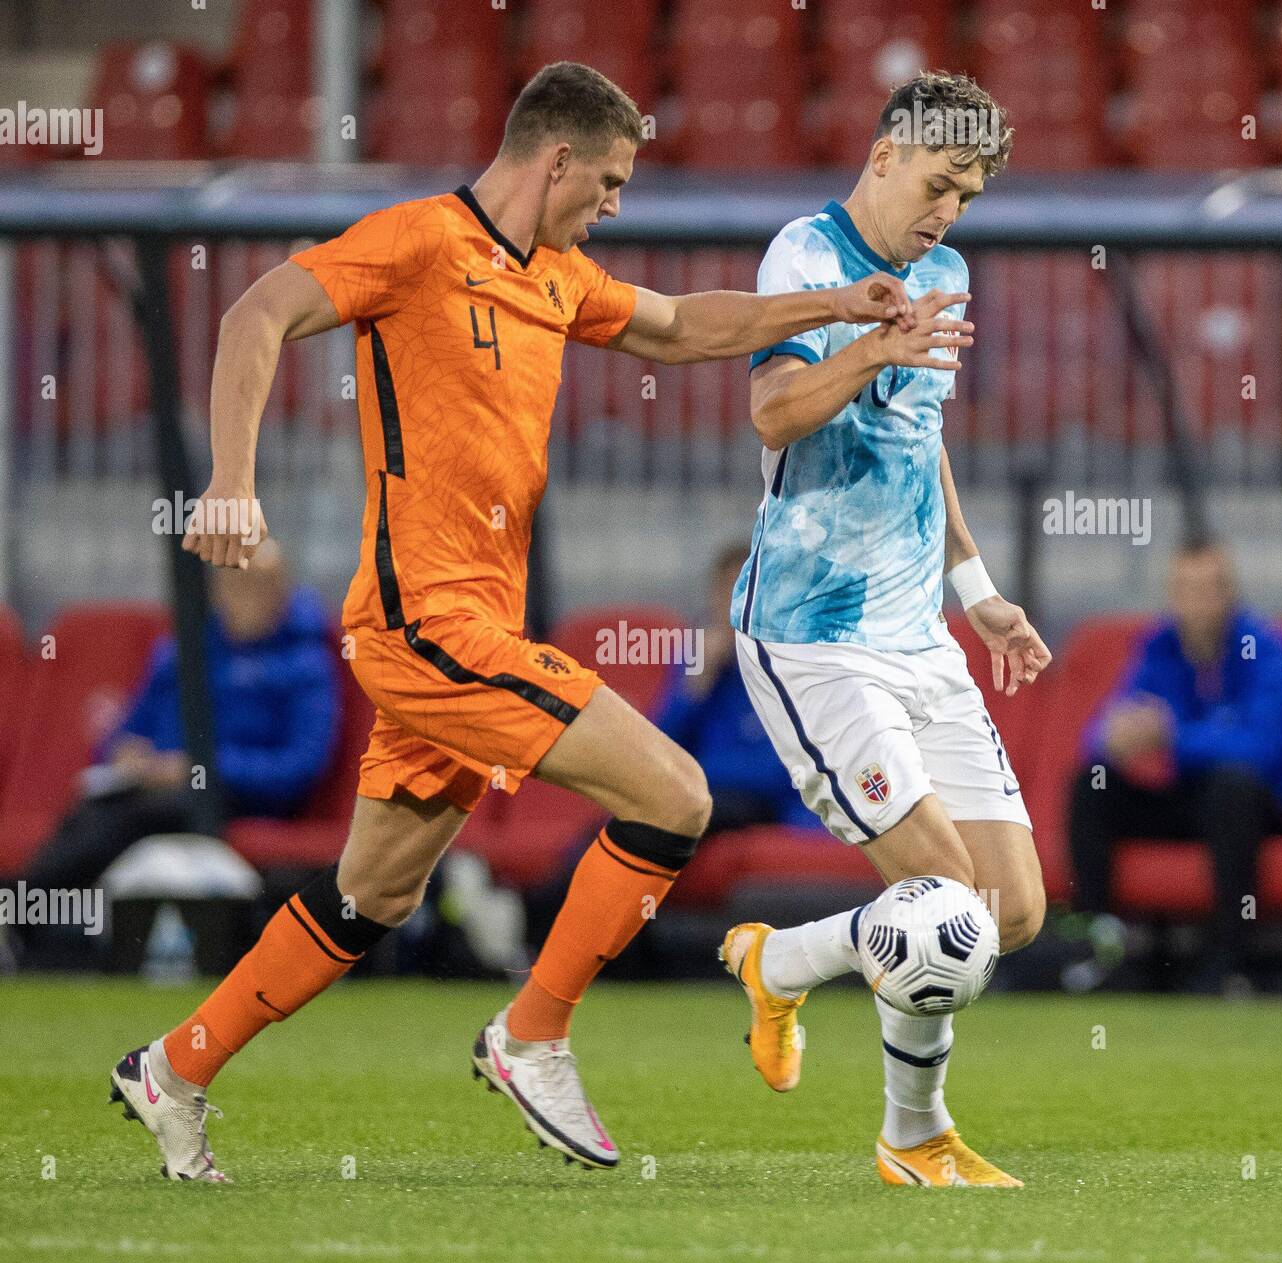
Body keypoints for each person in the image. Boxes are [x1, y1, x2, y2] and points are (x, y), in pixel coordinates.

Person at [107, 61, 932, 1181]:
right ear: (554, 160)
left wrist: (838, 308)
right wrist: (231, 478)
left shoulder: (554, 274)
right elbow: (259, 311)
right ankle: (533, 1031)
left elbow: (685, 324)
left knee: (374, 894)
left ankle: (177, 1066)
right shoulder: (412, 243)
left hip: (470, 625)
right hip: (425, 623)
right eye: (608, 181)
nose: (614, 204)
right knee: (674, 794)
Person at [718, 70, 1052, 1188]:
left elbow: (920, 439)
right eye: (938, 183)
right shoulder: (803, 259)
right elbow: (770, 410)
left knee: (1008, 914)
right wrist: (869, 347)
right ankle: (915, 1137)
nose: (947, 213)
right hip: (811, 632)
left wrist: (978, 587)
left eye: (966, 196)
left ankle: (781, 963)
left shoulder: (943, 270)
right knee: (945, 905)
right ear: (882, 155)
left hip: (921, 632)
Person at [24, 540, 338, 896]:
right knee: (93, 808)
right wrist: (127, 753)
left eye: (260, 586)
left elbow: (299, 766)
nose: (246, 598)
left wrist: (199, 767)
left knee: (133, 816)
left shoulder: (306, 665)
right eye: (236, 585)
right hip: (149, 789)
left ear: (283, 592)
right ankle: (35, 924)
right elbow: (125, 733)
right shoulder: (183, 650)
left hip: (236, 798)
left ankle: (20, 904)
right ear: (218, 591)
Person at [1069, 540, 1282, 993]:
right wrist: (1111, 737)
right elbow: (1102, 731)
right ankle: (1101, 947)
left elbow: (1264, 749)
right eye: (1184, 590)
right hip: (1190, 799)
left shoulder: (1265, 648)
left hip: (1264, 806)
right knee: (1092, 785)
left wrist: (1173, 733)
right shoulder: (1158, 646)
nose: (1195, 603)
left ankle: (1226, 965)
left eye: (1207, 590)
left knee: (1231, 789)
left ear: (1228, 594)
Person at [654, 543, 822, 835]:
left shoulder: (793, 662)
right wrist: (694, 689)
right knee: (627, 815)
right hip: (697, 790)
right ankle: (570, 882)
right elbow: (658, 748)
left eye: (746, 595)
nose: (735, 610)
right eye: (726, 595)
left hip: (755, 800)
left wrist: (696, 777)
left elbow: (781, 773)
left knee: (673, 815)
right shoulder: (699, 655)